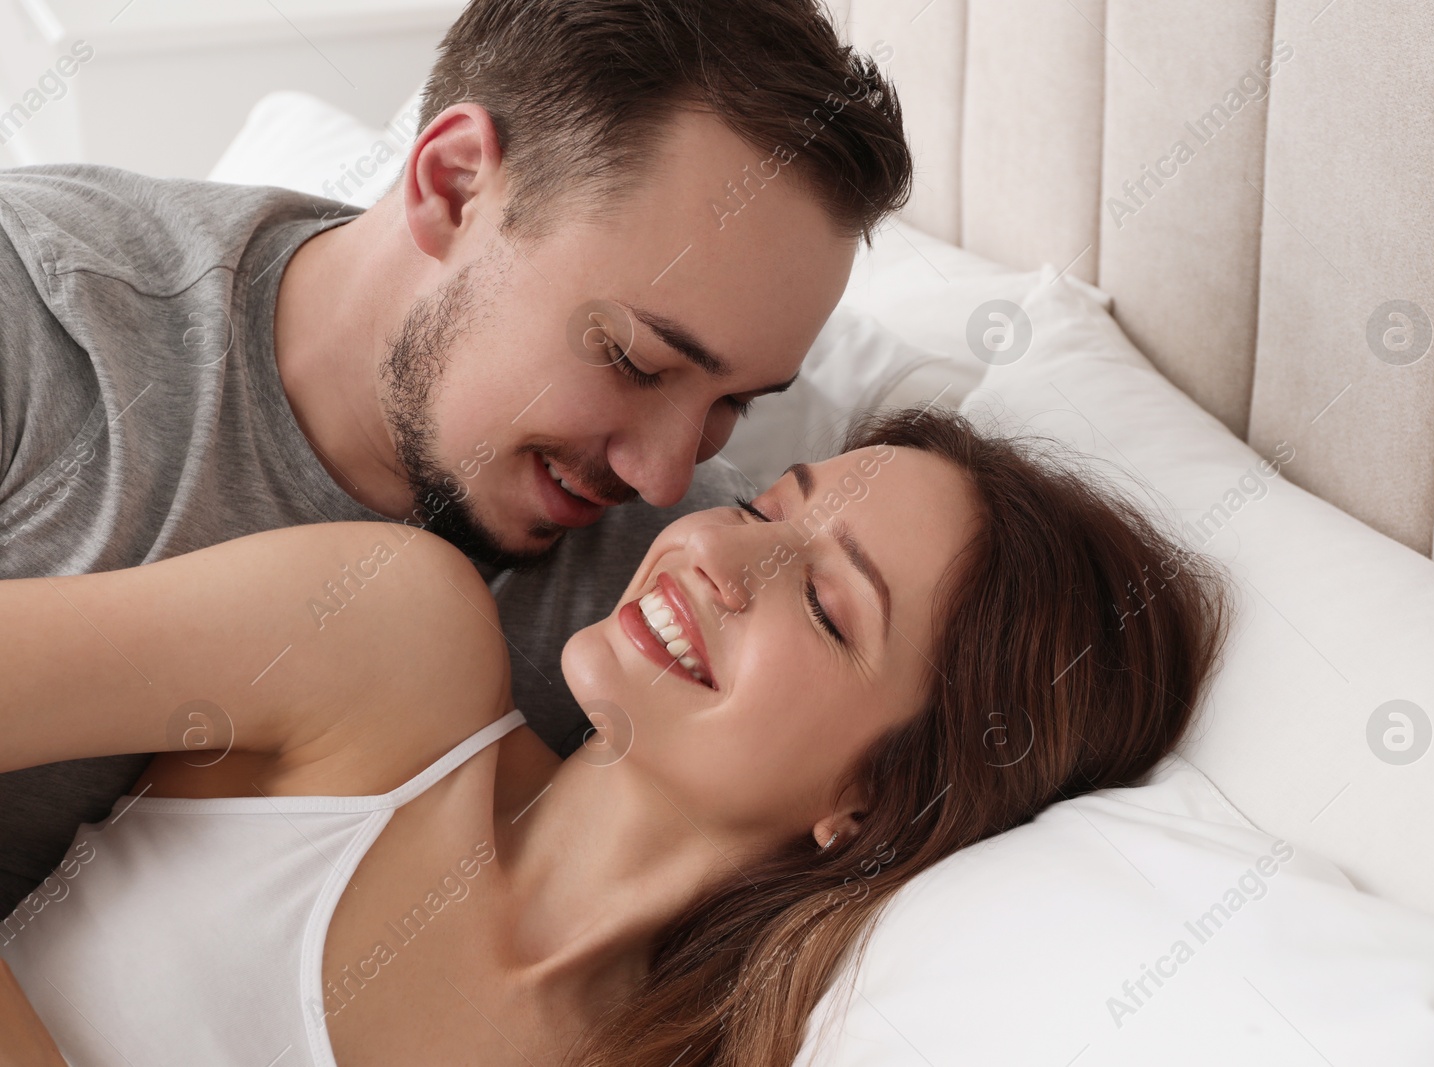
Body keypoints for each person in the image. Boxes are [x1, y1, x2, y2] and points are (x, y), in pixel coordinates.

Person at [0, 0, 913, 915]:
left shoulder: (672, 600)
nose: (663, 475)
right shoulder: (37, 317)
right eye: (637, 361)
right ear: (454, 185)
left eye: (732, 406)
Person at [0, 408, 1231, 1066]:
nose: (714, 550)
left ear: (875, 802)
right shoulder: (384, 641)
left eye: (822, 600)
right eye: (762, 503)